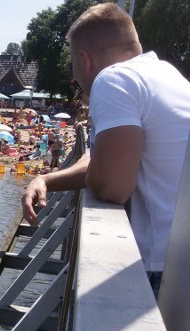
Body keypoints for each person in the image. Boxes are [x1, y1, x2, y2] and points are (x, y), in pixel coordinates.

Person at [21, 2, 190, 297]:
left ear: (84, 59)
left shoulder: (113, 80)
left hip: (163, 266)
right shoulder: (166, 75)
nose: (77, 82)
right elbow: (106, 160)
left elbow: (112, 186)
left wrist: (97, 168)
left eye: (74, 71)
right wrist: (46, 180)